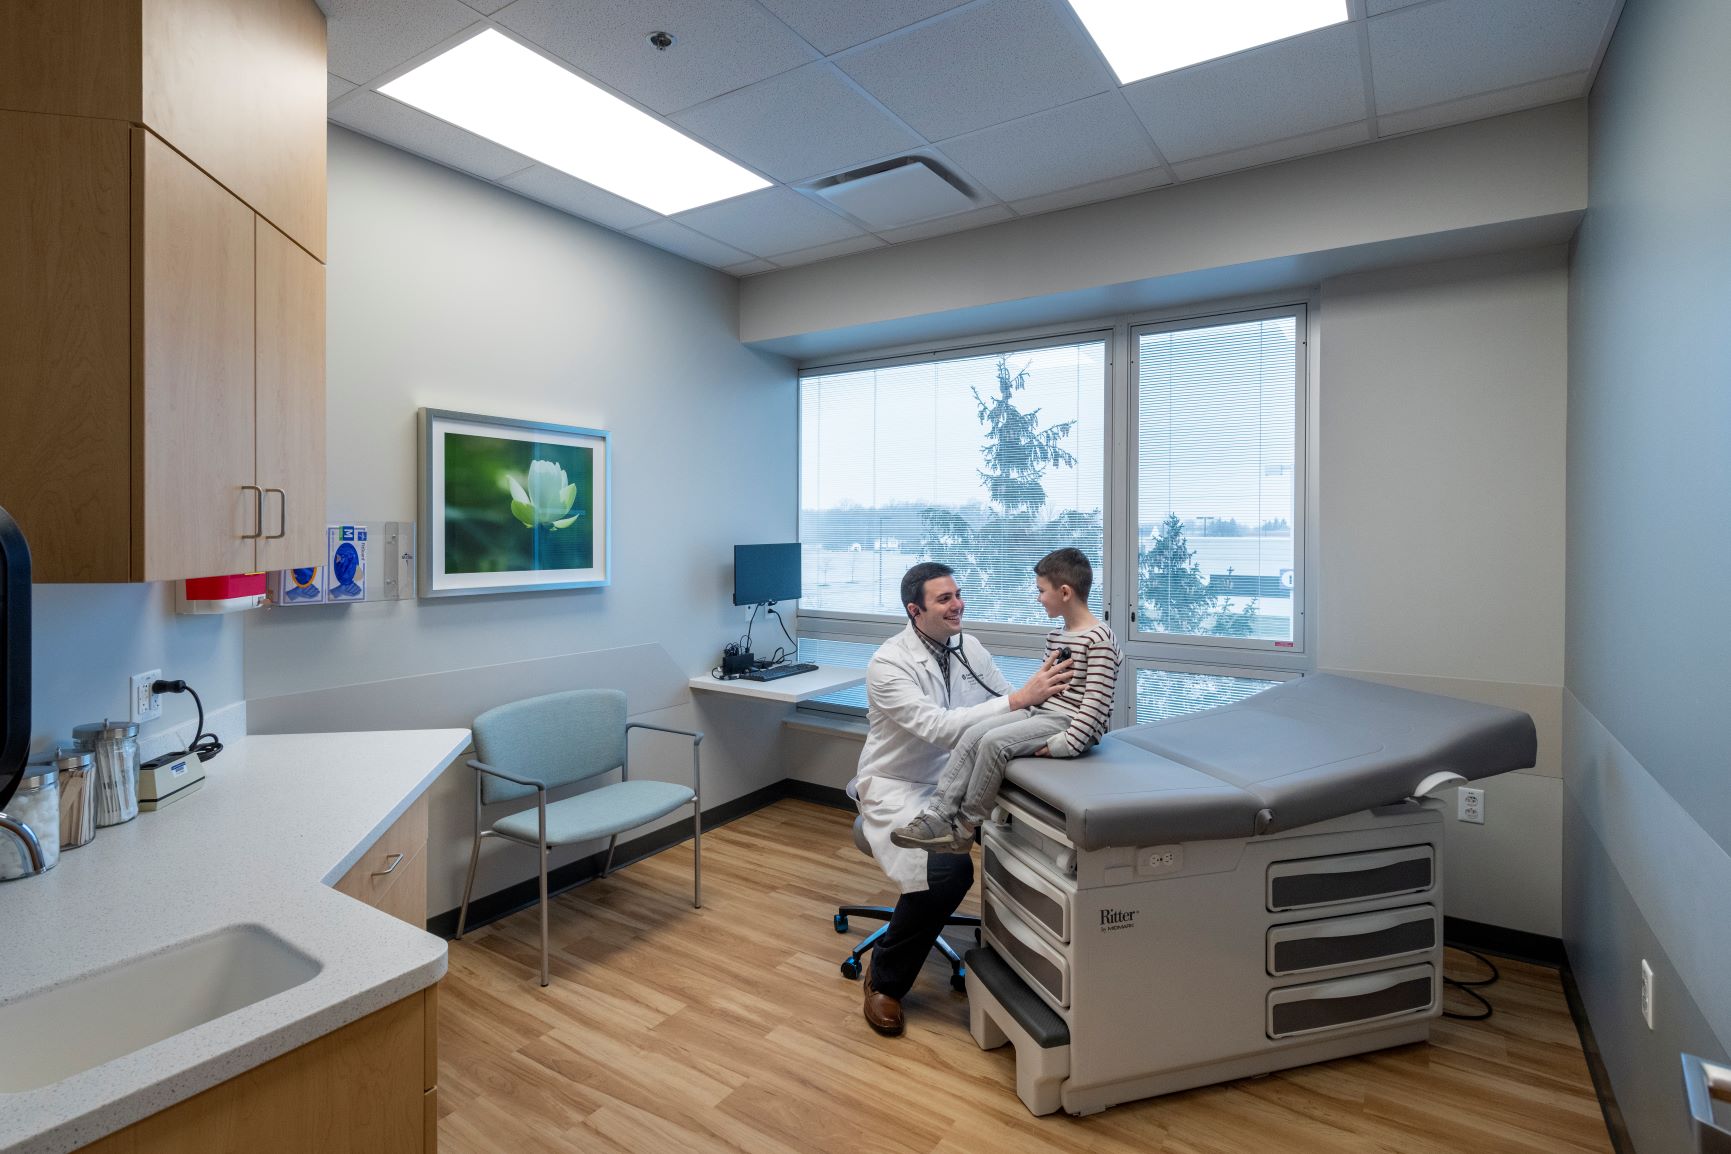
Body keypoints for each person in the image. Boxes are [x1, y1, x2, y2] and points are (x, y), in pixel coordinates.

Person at [849, 561, 1072, 1036]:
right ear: (915, 610)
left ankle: (1027, 963)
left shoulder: (967, 647)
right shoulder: (888, 664)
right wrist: (1016, 703)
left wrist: (1056, 719)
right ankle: (885, 981)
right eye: (943, 599)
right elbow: (939, 729)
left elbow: (1009, 698)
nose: (957, 605)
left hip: (959, 780)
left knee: (1026, 841)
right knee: (948, 871)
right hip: (899, 787)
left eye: (958, 594)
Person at [890, 548, 1121, 853]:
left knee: (994, 743)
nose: (1038, 598)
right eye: (945, 599)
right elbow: (1042, 689)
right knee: (974, 734)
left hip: (1064, 721)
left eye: (1041, 591)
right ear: (914, 610)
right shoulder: (1058, 636)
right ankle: (935, 816)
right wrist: (1027, 699)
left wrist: (1063, 745)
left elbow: (1095, 706)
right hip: (1041, 712)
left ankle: (963, 827)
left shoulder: (1100, 640)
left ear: (1064, 592)